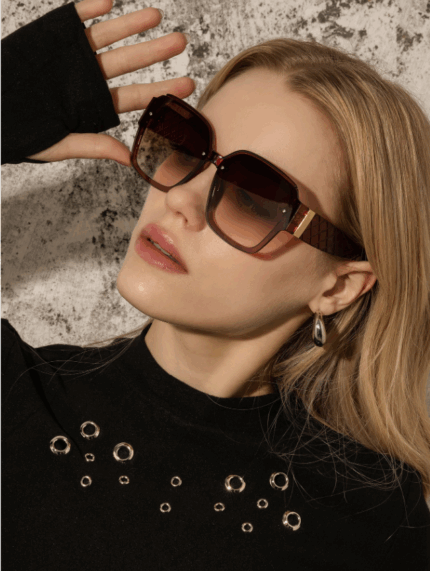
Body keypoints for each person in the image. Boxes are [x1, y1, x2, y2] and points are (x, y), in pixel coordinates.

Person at [2, 0, 430, 569]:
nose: (179, 198)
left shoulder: (382, 526)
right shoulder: (12, 396)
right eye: (186, 147)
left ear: (339, 287)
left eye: (252, 198)